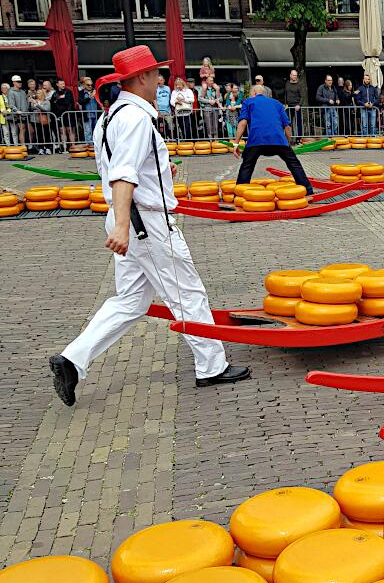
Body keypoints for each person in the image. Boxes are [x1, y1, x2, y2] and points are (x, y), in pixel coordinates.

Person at [50, 45, 249, 407]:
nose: (161, 80)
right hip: (145, 223)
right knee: (187, 293)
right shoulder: (135, 118)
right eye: (157, 73)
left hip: (132, 218)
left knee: (130, 301)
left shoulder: (110, 117)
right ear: (141, 77)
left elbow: (120, 168)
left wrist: (157, 175)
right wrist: (123, 226)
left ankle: (72, 360)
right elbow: (123, 174)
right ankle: (211, 366)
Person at [232, 85, 314, 190]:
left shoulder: (248, 102)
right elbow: (287, 126)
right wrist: (287, 144)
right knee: (294, 164)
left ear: (253, 93)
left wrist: (236, 143)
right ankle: (308, 190)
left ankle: (239, 193)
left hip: (256, 141)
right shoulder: (277, 103)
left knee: (247, 166)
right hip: (279, 140)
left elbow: (242, 123)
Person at [51, 77, 77, 148]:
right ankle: (64, 148)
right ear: (57, 84)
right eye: (61, 84)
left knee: (70, 130)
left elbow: (69, 103)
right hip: (59, 115)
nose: (63, 85)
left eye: (63, 83)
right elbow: (53, 104)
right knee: (62, 131)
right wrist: (59, 99)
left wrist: (60, 100)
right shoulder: (55, 93)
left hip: (68, 114)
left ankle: (73, 146)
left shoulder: (68, 92)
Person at [7, 75, 28, 145]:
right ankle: (23, 146)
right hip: (17, 115)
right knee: (22, 128)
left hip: (25, 114)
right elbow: (11, 104)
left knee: (30, 130)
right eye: (18, 82)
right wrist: (16, 111)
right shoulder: (11, 92)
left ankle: (28, 146)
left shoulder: (23, 92)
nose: (20, 83)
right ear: (13, 82)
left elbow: (26, 102)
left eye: (20, 82)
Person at [283, 69, 302, 134]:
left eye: (296, 75)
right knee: (288, 122)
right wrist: (285, 103)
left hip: (296, 106)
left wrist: (299, 105)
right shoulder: (287, 83)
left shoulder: (299, 84)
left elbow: (302, 96)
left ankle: (299, 137)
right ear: (290, 75)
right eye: (293, 75)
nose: (295, 77)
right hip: (288, 106)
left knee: (298, 122)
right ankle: (290, 136)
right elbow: (285, 94)